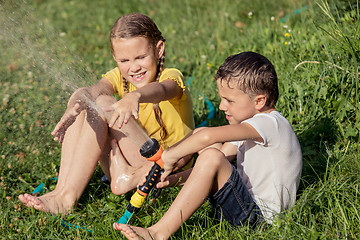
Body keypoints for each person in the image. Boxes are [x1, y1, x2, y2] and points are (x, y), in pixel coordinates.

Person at [113, 51, 303, 240]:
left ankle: (156, 233)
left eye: (229, 100)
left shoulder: (269, 123)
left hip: (261, 222)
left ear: (259, 101)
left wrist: (169, 156)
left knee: (209, 152)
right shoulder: (251, 127)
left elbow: (207, 138)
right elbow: (211, 166)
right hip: (243, 208)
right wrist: (172, 180)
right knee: (209, 152)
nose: (222, 106)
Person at [18, 13, 194, 215]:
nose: (134, 67)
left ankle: (67, 199)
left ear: (159, 49)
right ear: (115, 58)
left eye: (141, 57)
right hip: (134, 160)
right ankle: (62, 191)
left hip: (164, 169)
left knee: (102, 103)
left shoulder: (171, 77)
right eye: (124, 60)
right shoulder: (119, 76)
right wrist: (75, 104)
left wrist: (134, 96)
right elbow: (92, 91)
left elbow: (162, 90)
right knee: (85, 100)